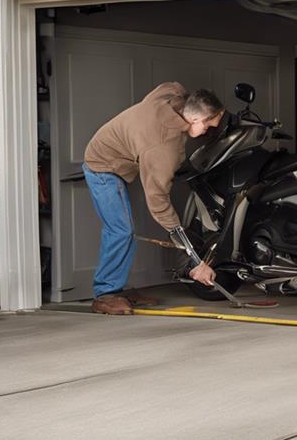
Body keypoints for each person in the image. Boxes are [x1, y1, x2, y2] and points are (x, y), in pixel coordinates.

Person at [83, 82, 225, 315]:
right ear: (196, 120)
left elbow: (170, 85)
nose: (208, 132)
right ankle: (105, 294)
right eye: (209, 125)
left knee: (124, 230)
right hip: (102, 165)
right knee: (120, 230)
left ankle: (117, 287)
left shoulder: (173, 95)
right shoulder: (161, 146)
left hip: (116, 149)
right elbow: (158, 202)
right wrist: (195, 260)